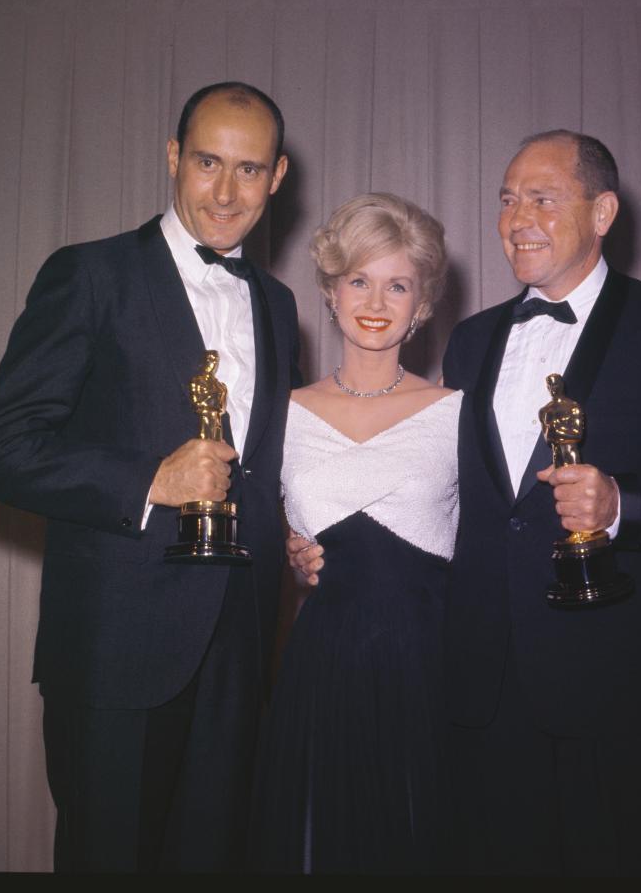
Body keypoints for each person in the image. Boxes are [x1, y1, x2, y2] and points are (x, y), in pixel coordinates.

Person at [292, 131, 641, 876]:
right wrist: (311, 540)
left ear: (603, 211)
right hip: (479, 693)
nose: (517, 219)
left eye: (542, 198)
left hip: (617, 693)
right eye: (507, 200)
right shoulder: (472, 343)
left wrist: (619, 506)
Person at [0, 81, 299, 873]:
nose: (226, 191)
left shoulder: (280, 305)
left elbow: (262, 466)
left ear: (277, 177)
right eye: (208, 162)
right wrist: (149, 479)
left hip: (239, 651)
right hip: (115, 654)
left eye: (248, 170)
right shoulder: (89, 275)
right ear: (174, 157)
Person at [250, 192, 459, 874]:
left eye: (397, 283)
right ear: (332, 291)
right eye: (359, 280)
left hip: (429, 672)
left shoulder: (457, 413)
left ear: (422, 301)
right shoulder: (281, 413)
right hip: (323, 670)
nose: (376, 300)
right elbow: (266, 530)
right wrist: (289, 549)